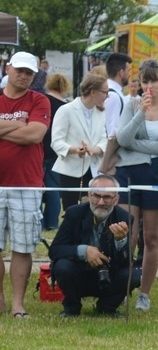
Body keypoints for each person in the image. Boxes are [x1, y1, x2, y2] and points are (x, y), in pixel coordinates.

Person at [116, 59, 158, 312]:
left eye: (155, 80)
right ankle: (121, 288)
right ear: (140, 84)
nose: (150, 86)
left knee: (152, 238)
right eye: (145, 81)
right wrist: (140, 115)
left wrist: (132, 144)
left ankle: (144, 293)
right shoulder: (131, 104)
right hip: (128, 175)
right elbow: (122, 137)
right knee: (127, 235)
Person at [0, 51, 50, 318]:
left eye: (29, 73)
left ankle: (18, 304)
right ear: (8, 68)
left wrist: (5, 128)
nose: (23, 75)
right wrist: (18, 123)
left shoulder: (39, 100)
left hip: (27, 184)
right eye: (19, 70)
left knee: (23, 246)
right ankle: (0, 300)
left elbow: (35, 135)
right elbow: (26, 130)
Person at [48, 174, 132, 317]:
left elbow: (125, 262)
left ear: (116, 200)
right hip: (77, 273)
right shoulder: (74, 213)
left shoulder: (124, 218)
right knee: (62, 266)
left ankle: (107, 308)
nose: (100, 202)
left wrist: (120, 241)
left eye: (107, 197)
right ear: (89, 194)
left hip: (108, 276)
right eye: (96, 196)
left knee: (133, 274)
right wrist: (84, 251)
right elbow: (55, 250)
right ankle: (71, 308)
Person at [51, 73, 109, 212]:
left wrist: (95, 149)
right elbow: (56, 142)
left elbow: (104, 139)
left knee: (95, 213)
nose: (107, 96)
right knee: (72, 213)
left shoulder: (100, 113)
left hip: (95, 171)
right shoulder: (66, 110)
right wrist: (74, 150)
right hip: (71, 172)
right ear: (93, 92)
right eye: (105, 92)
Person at [40, 72, 71, 230]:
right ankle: (52, 222)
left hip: (40, 147)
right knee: (53, 188)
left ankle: (38, 221)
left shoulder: (43, 100)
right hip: (57, 149)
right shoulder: (66, 106)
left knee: (37, 186)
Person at [103, 52, 132, 143]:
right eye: (128, 70)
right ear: (121, 72)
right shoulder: (113, 96)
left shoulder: (112, 93)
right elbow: (112, 133)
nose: (130, 74)